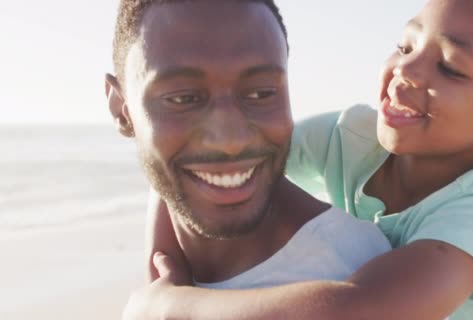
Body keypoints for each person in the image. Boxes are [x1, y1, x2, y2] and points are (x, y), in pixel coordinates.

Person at [133, 0, 473, 319]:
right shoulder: (354, 136)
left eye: (449, 67)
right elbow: (201, 161)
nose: (405, 71)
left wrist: (177, 309)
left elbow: (363, 310)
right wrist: (168, 274)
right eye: (406, 46)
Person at [105, 0, 392, 317]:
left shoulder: (353, 274)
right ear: (122, 110)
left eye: (260, 93)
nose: (230, 141)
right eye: (184, 98)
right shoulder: (162, 279)